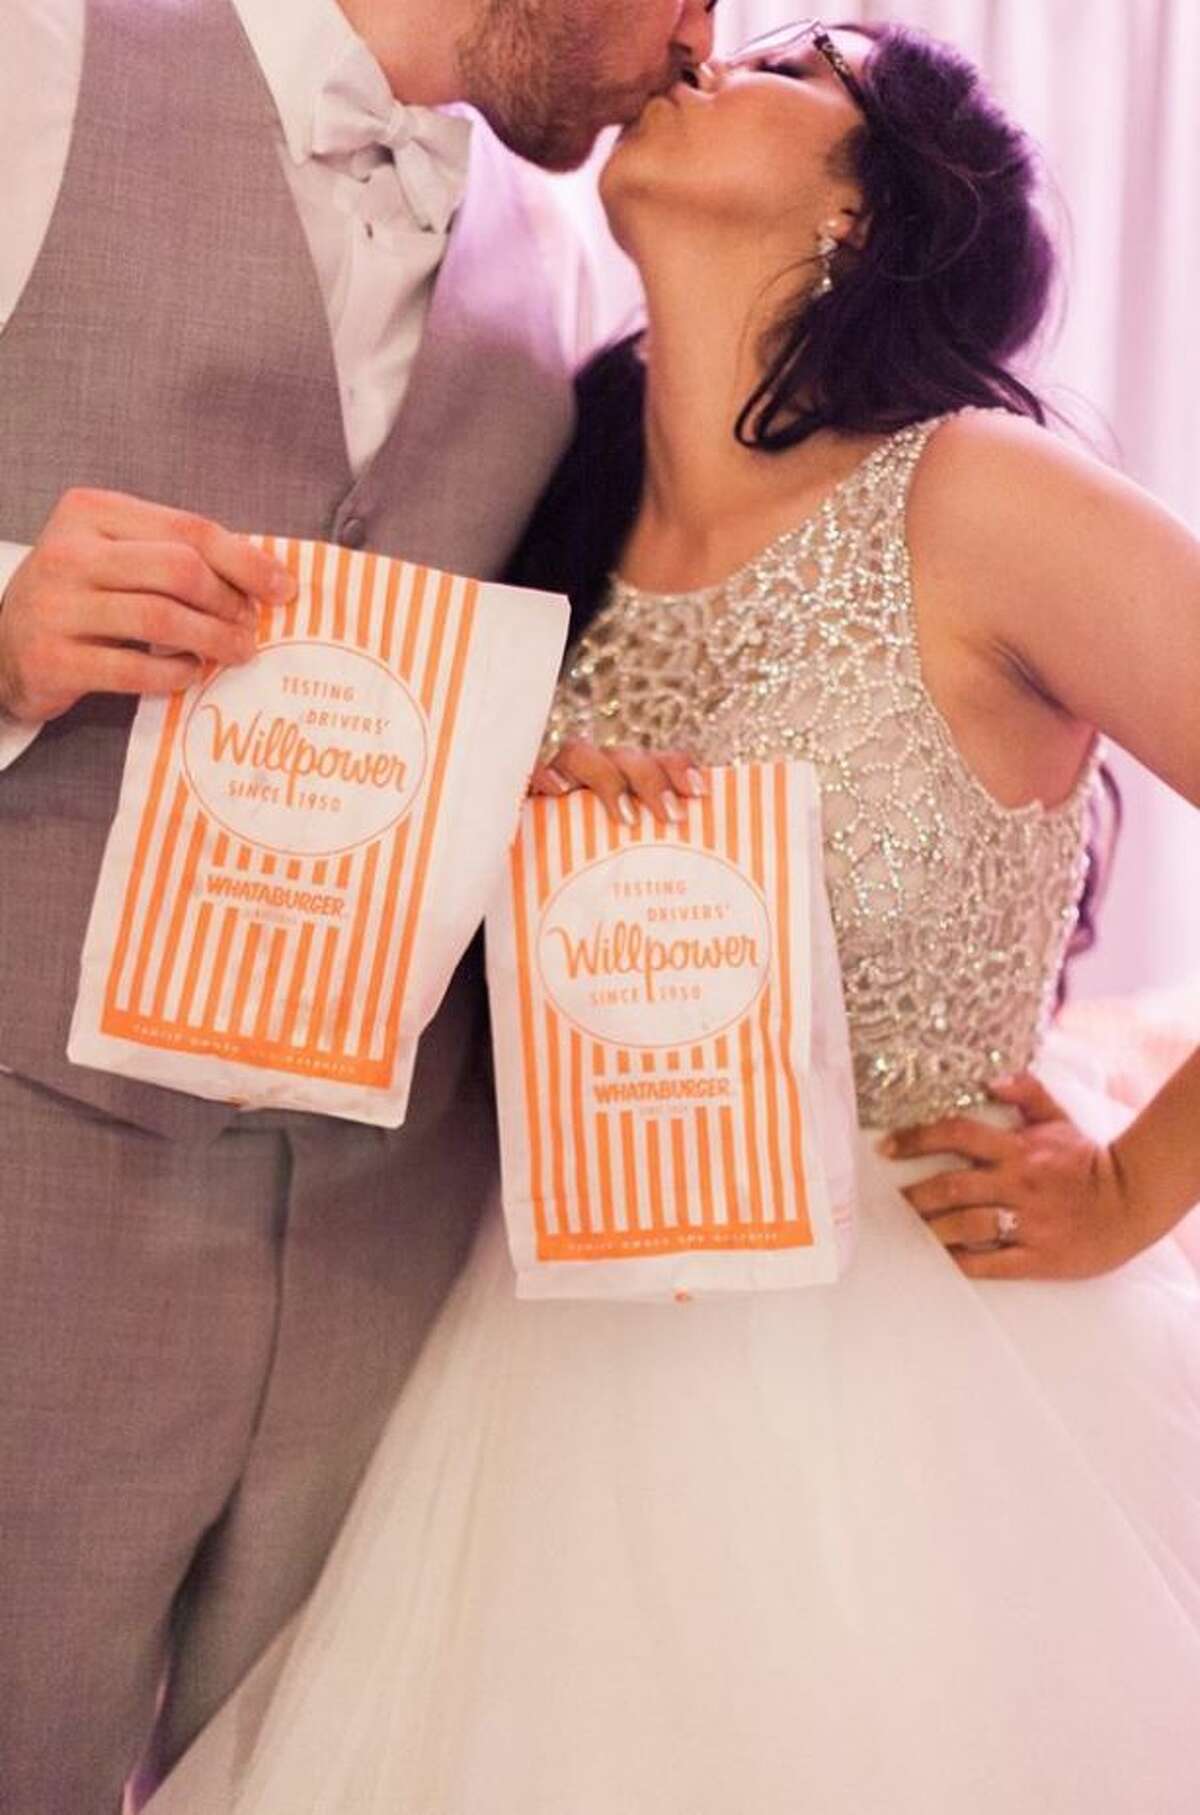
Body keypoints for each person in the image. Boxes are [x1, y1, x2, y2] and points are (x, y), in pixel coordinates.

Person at [152, 17, 1200, 1814]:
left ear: (871, 216)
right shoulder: (528, 495)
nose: (715, 48)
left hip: (915, 1410)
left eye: (803, 69)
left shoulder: (981, 501)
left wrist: (1126, 1191)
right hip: (522, 1374)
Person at [0, 1, 720, 1809]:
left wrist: (539, 779)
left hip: (396, 1233)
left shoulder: (577, 260)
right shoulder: (41, 57)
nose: (707, 43)